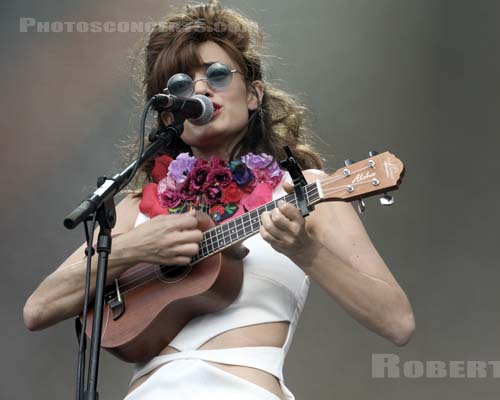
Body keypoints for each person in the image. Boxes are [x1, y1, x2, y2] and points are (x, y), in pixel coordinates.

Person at [23, 2, 415, 399]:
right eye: (179, 85)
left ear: (253, 95)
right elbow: (37, 309)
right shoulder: (136, 208)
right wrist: (132, 248)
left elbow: (397, 321)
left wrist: (306, 250)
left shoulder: (302, 190)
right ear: (168, 115)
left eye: (217, 74)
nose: (199, 89)